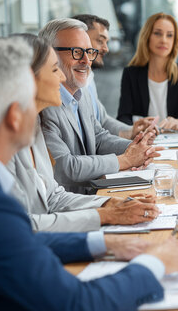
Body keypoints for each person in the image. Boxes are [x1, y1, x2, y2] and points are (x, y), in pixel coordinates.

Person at [0, 37, 178, 311]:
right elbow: (79, 304)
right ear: (15, 117)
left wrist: (104, 243)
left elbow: (18, 238)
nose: (62, 78)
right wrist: (154, 262)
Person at [7, 33, 160, 232]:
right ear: (29, 78)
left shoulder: (33, 123)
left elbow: (53, 197)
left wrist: (110, 203)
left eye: (89, 51)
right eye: (54, 69)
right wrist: (106, 214)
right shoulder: (6, 137)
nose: (61, 76)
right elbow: (21, 226)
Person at [39, 18, 162, 194]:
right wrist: (125, 160)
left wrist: (135, 149)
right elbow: (66, 167)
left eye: (89, 52)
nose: (86, 60)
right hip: (72, 203)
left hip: (95, 193)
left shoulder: (83, 93)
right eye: (76, 52)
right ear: (50, 56)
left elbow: (98, 137)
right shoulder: (45, 106)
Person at [72, 14, 156, 139]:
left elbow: (102, 120)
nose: (106, 49)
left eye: (106, 42)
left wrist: (132, 131)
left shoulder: (89, 78)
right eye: (100, 41)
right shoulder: (72, 83)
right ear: (81, 38)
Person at [117, 12, 178, 131]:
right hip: (144, 140)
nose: (163, 40)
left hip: (175, 140)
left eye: (169, 35)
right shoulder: (131, 74)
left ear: (174, 41)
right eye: (157, 33)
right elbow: (123, 117)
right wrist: (138, 126)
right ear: (147, 37)